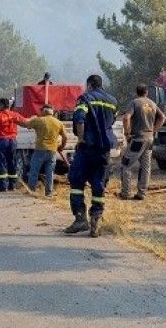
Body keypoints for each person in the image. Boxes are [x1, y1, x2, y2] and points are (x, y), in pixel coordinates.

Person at [65, 75, 119, 237]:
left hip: (87, 147)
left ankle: (80, 219)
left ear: (89, 85)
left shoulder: (85, 98)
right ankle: (96, 218)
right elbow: (111, 122)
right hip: (104, 150)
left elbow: (80, 119)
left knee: (76, 181)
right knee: (99, 183)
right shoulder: (113, 101)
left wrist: (81, 139)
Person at [120, 85, 165, 200]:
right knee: (146, 166)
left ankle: (126, 193)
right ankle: (142, 193)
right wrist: (154, 130)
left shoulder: (134, 102)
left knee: (126, 164)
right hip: (150, 138)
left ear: (137, 92)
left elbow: (126, 118)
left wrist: (127, 133)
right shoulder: (153, 103)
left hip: (138, 138)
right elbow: (163, 117)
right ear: (147, 92)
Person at [22, 105, 67, 197]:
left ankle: (32, 190)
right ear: (52, 112)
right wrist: (61, 147)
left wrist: (31, 118)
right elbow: (65, 137)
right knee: (50, 173)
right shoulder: (58, 123)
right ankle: (49, 193)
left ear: (43, 111)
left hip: (40, 150)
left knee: (34, 170)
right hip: (52, 151)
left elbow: (26, 125)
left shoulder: (38, 120)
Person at [0, 98, 26, 192]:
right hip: (12, 141)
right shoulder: (14, 115)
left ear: (1, 105)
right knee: (11, 162)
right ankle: (12, 185)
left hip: (0, 141)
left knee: (0, 163)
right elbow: (25, 122)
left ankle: (2, 186)